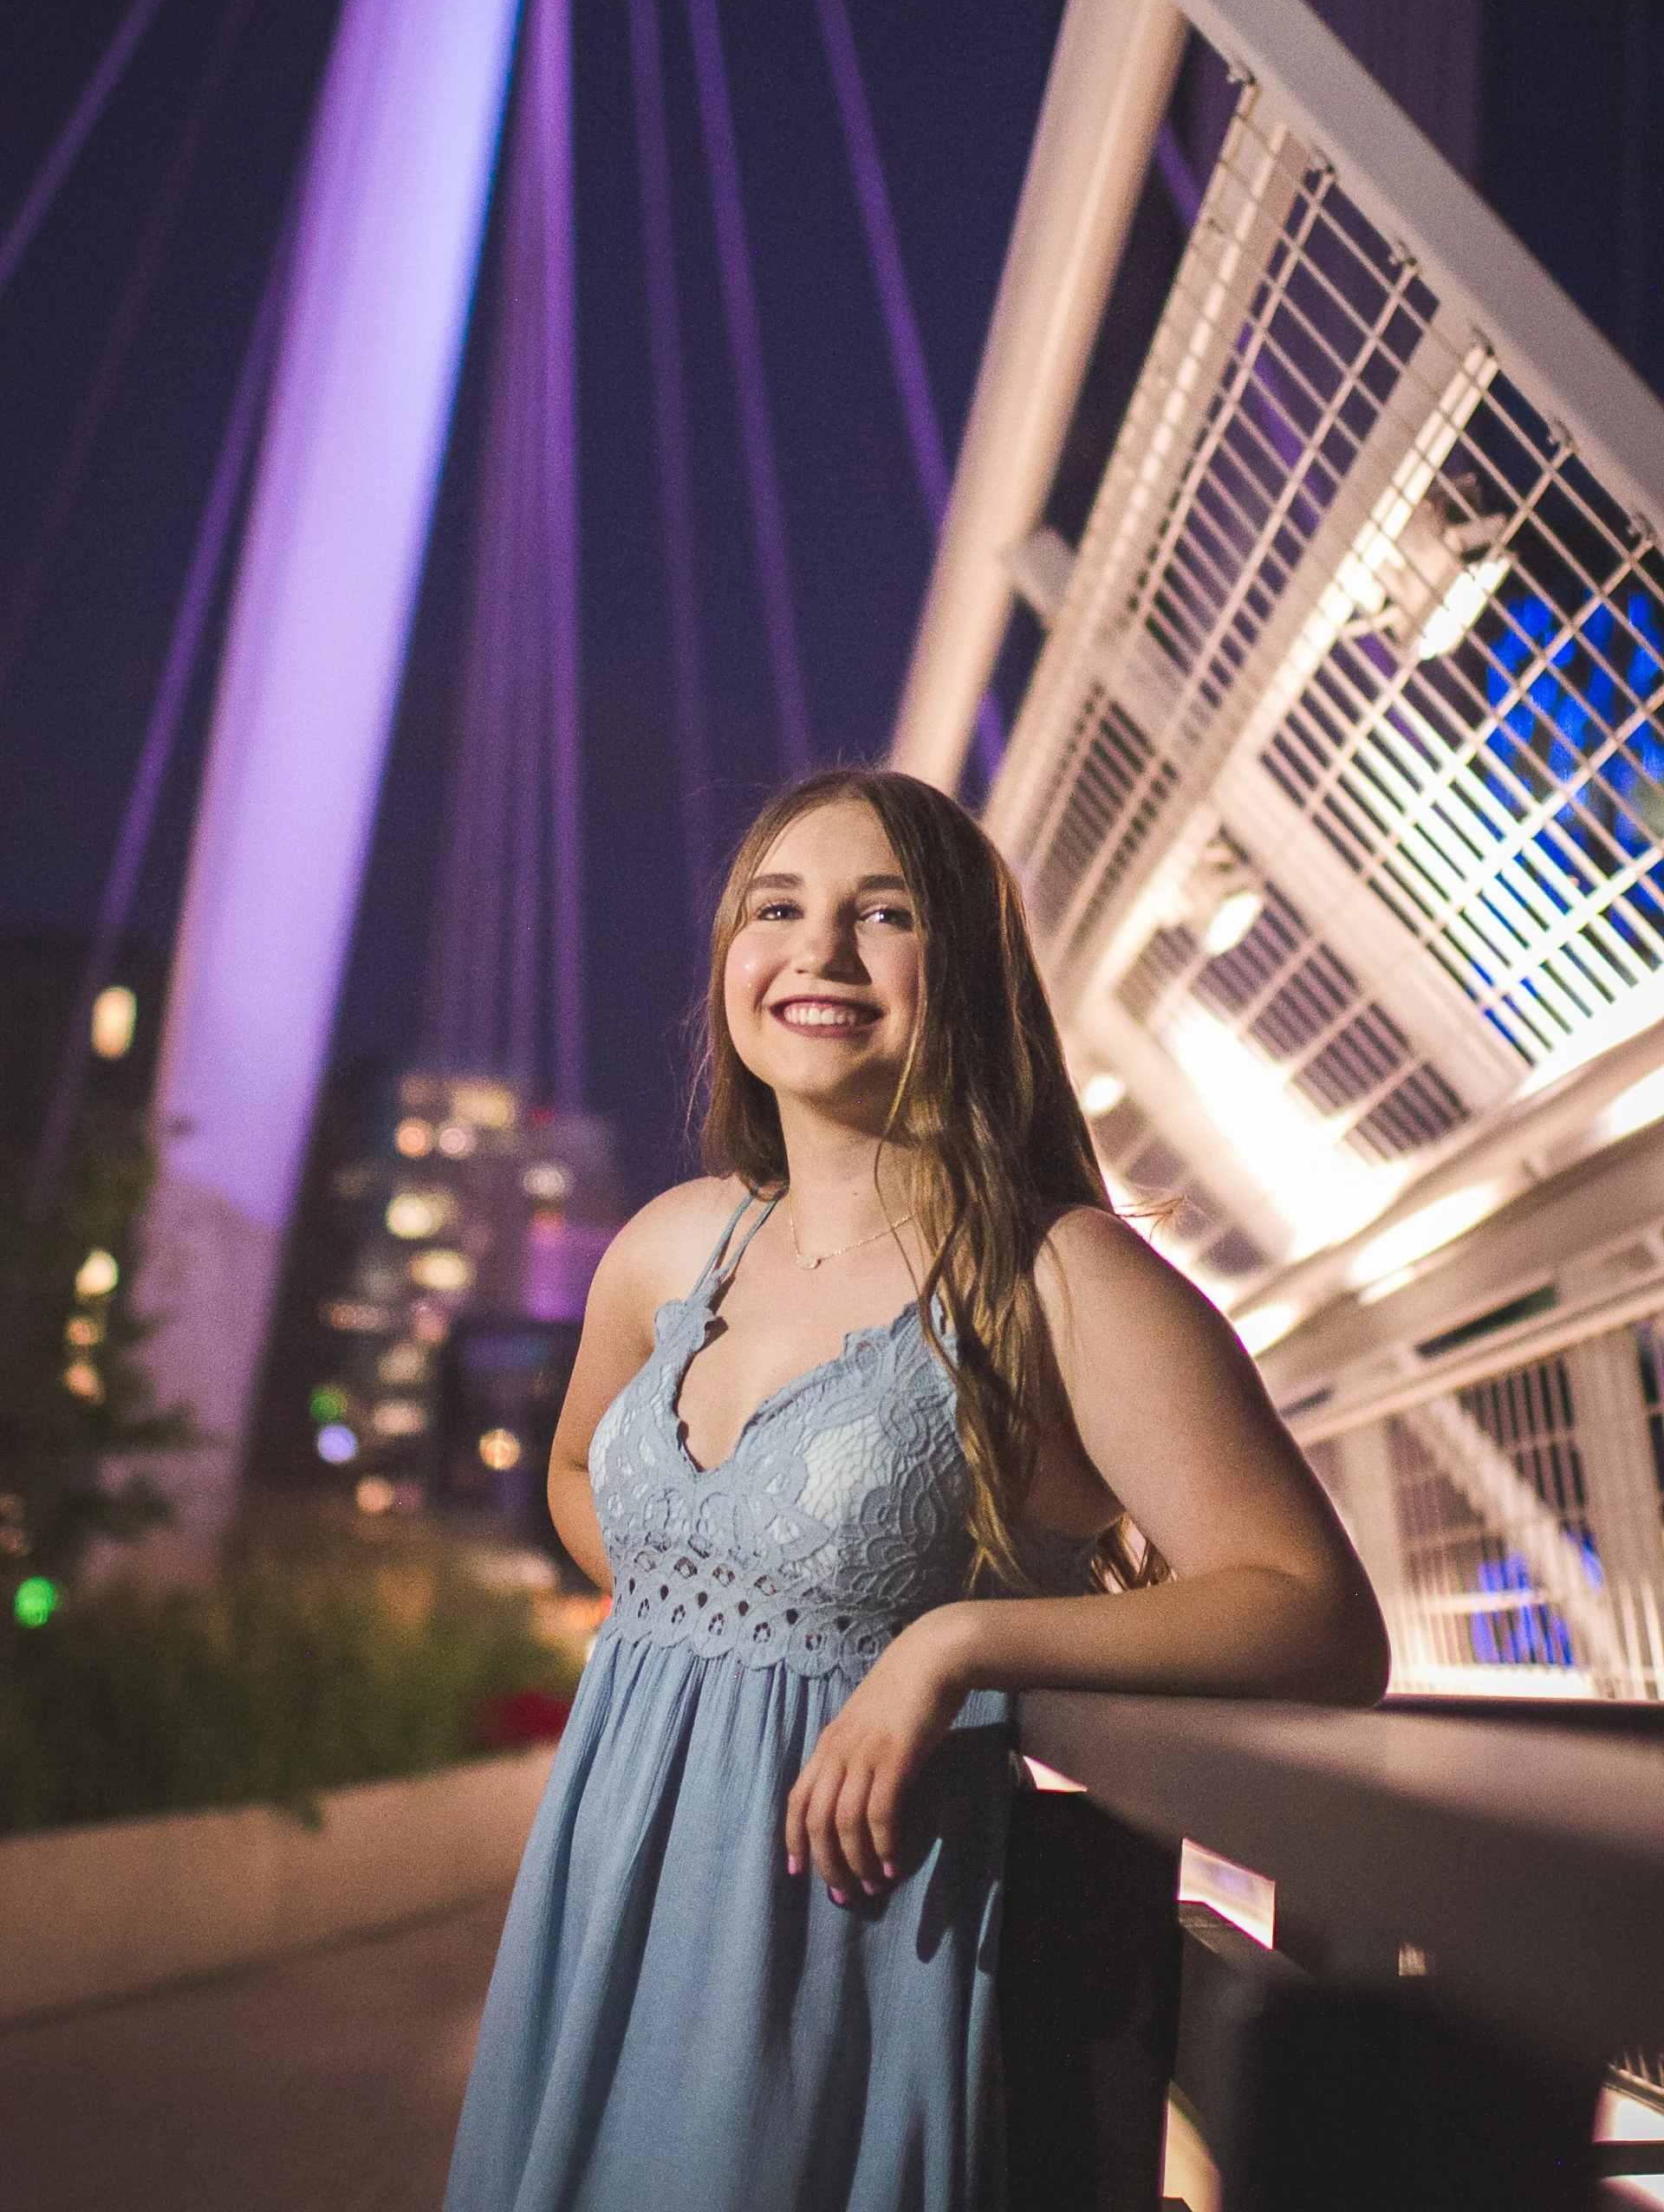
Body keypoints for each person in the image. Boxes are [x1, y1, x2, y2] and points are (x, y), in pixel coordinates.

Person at [443, 768, 1388, 2212]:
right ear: (729, 959)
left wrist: (951, 1644)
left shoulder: (1063, 1280)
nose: (818, 953)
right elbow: (581, 1474)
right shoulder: (666, 1249)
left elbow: (1315, 1617)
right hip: (613, 1880)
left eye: (881, 915)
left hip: (839, 1930)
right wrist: (704, 1633)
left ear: (971, 970)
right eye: (779, 909)